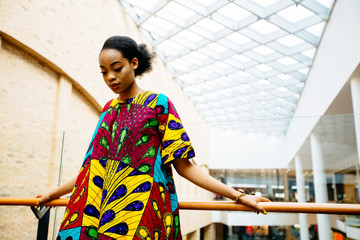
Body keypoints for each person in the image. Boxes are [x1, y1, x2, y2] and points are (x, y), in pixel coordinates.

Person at [36, 36, 270, 240]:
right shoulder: (108, 110)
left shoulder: (158, 105)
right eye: (104, 71)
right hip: (93, 214)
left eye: (117, 68)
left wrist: (238, 196)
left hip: (138, 214)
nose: (110, 77)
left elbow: (185, 167)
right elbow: (93, 168)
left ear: (134, 63)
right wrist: (53, 194)